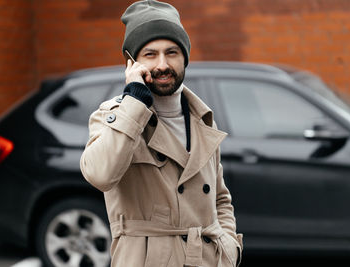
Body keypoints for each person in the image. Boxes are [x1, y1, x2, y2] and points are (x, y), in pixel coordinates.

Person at [80, 0, 243, 266]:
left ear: (185, 57)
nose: (162, 64)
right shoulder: (113, 117)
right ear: (131, 62)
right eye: (150, 54)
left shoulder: (202, 118)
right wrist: (135, 100)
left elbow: (220, 199)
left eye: (172, 52)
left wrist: (228, 248)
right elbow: (100, 175)